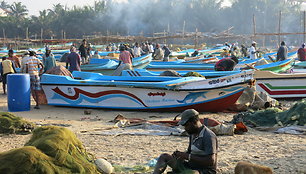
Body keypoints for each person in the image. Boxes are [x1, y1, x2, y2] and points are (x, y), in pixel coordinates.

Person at [153, 109, 218, 174]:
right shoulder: (192, 134)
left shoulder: (208, 136)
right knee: (164, 157)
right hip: (190, 166)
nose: (185, 128)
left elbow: (211, 161)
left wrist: (187, 156)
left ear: (194, 122)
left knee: (189, 173)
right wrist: (180, 156)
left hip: (204, 171)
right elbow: (190, 152)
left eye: (187, 125)